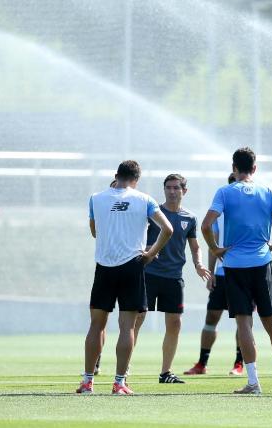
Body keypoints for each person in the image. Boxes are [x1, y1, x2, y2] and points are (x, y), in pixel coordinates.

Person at [201, 147, 272, 395]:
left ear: (234, 168)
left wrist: (216, 248)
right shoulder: (267, 191)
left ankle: (254, 382)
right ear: (255, 168)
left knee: (244, 325)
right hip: (262, 264)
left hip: (234, 266)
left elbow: (206, 225)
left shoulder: (225, 191)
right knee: (271, 322)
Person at [77, 160, 172, 395]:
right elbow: (168, 229)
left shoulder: (96, 198)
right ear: (136, 179)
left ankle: (88, 382)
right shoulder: (144, 199)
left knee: (96, 326)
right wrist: (151, 254)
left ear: (116, 175)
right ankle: (119, 383)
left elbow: (93, 231)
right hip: (132, 266)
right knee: (127, 327)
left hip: (104, 266)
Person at [134, 174, 212, 384]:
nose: (172, 191)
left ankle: (165, 372)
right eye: (168, 187)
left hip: (173, 277)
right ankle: (124, 368)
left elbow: (195, 246)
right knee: (137, 318)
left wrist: (198, 264)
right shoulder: (153, 213)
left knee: (175, 323)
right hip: (149, 274)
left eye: (176, 188)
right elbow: (137, 237)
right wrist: (147, 249)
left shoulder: (190, 218)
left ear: (184, 191)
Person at [184, 173, 246, 376]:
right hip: (222, 273)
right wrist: (211, 273)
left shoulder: (248, 211)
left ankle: (239, 363)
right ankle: (202, 363)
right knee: (211, 317)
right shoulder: (219, 215)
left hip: (243, 271)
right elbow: (214, 244)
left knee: (242, 319)